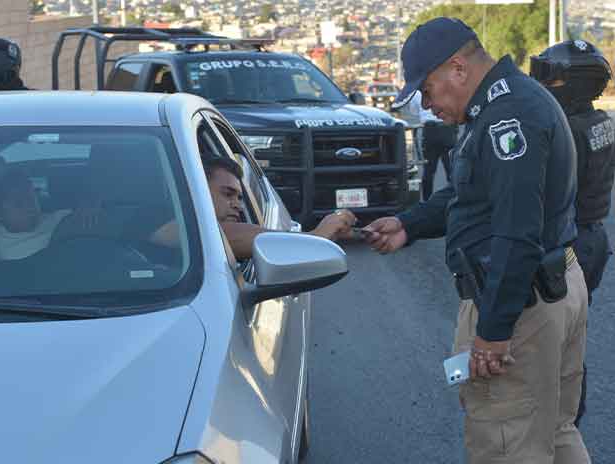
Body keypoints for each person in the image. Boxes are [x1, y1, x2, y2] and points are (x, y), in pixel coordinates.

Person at [369, 17, 590, 463]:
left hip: (520, 302)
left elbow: (516, 232)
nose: (427, 105)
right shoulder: (503, 105)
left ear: (457, 68)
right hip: (546, 286)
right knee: (554, 433)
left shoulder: (507, 118)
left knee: (505, 442)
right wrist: (410, 223)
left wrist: (493, 330)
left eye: (426, 90)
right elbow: (470, 194)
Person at [531, 39, 615, 428]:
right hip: (594, 238)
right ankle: (567, 420)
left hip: (570, 244)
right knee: (572, 337)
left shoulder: (566, 131)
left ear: (573, 84)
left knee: (551, 341)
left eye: (551, 76)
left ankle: (559, 423)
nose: (544, 83)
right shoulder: (601, 122)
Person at [204, 156, 355, 259]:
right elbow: (219, 236)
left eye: (240, 198)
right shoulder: (191, 235)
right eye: (227, 194)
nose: (239, 206)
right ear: (197, 189)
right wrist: (316, 237)